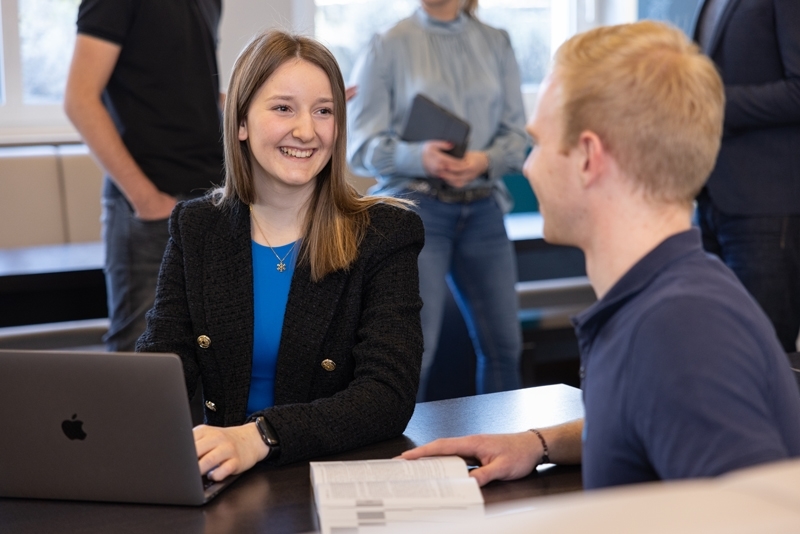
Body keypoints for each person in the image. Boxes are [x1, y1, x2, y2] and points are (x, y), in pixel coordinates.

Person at [402, 21, 800, 490]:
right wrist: (539, 442)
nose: (528, 166)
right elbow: (646, 418)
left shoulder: (679, 330)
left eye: (542, 144)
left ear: (589, 157)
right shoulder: (661, 298)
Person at [136, 30, 424, 481]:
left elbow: (387, 394)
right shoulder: (198, 226)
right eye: (283, 108)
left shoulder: (386, 233)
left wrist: (259, 436)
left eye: (323, 111)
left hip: (334, 471)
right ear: (242, 123)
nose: (306, 131)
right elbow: (164, 359)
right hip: (227, 471)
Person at [347, 0, 529, 400]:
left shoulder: (497, 42)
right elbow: (359, 147)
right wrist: (419, 156)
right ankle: (404, 459)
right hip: (418, 208)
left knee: (505, 348)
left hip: (483, 207)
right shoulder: (386, 45)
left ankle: (508, 455)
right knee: (415, 354)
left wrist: (485, 159)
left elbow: (518, 136)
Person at [64, 0, 225, 352]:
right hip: (150, 210)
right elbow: (79, 99)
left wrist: (286, 102)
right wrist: (146, 199)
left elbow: (195, 94)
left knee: (209, 355)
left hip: (211, 200)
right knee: (140, 359)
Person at [692, 0, 800, 352]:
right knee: (715, 349)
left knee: (762, 353)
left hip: (767, 205)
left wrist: (713, 104)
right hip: (709, 195)